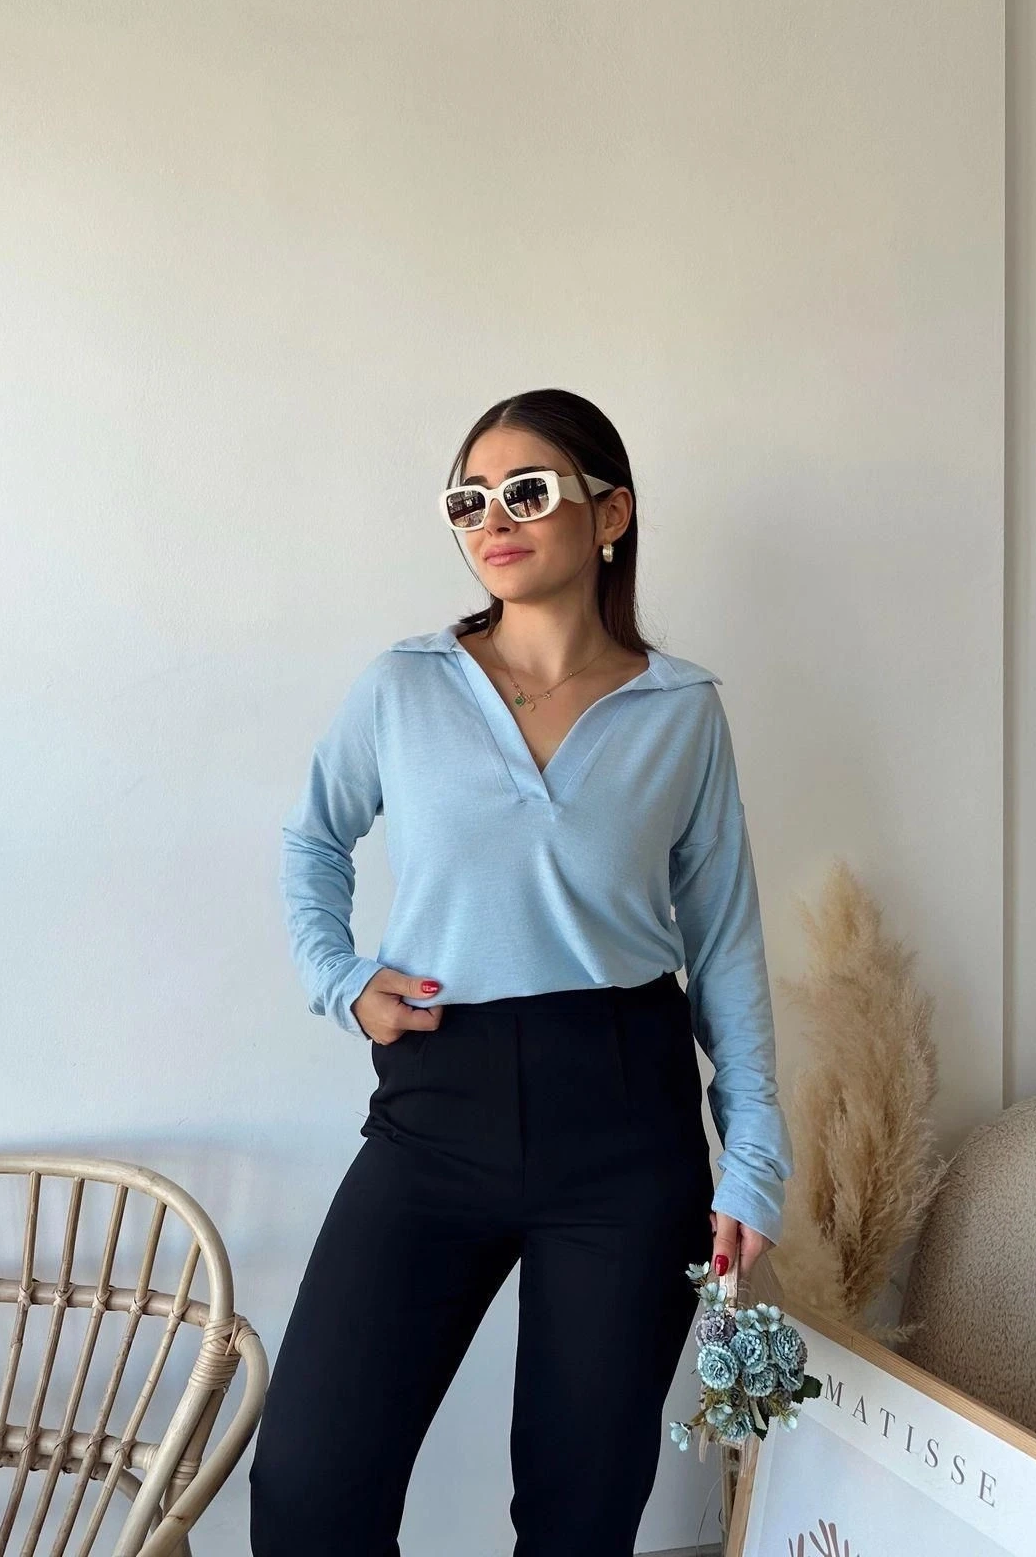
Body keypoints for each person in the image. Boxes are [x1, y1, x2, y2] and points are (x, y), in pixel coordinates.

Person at [248, 387, 794, 1557]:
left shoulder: (681, 711)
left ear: (611, 514)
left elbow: (726, 942)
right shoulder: (403, 686)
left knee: (579, 1512)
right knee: (309, 1489)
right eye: (469, 499)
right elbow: (312, 839)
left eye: (527, 491)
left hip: (626, 1119)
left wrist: (753, 1156)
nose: (493, 519)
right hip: (437, 1104)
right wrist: (340, 977)